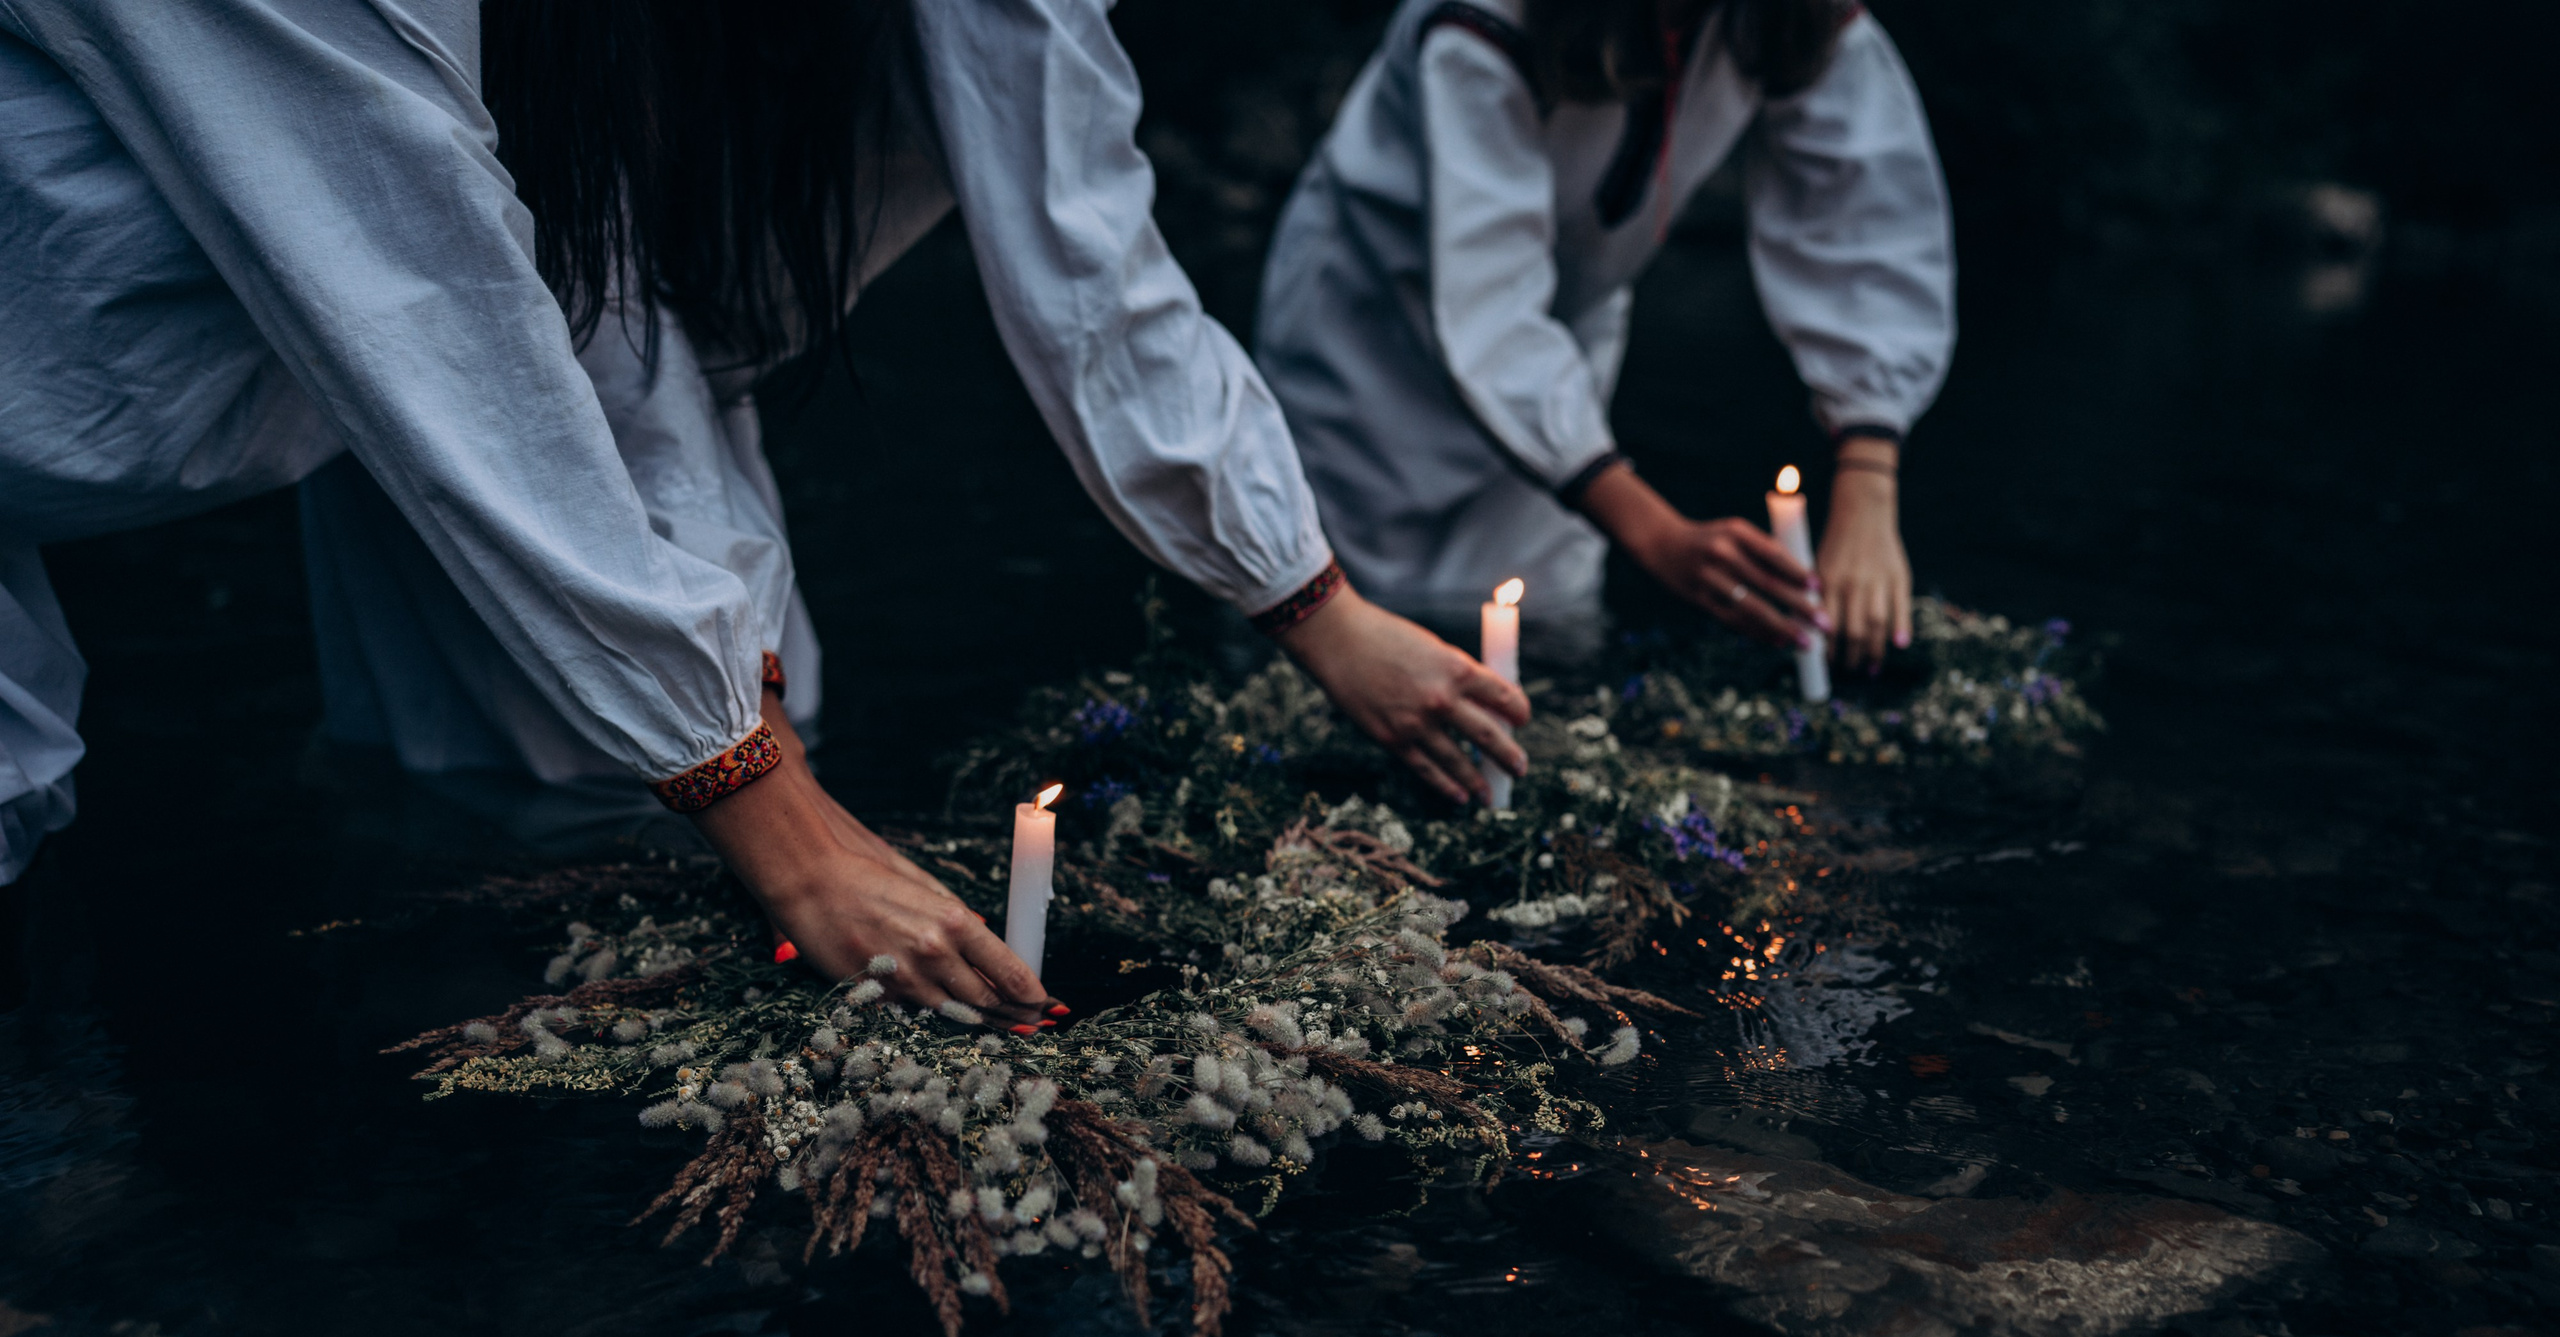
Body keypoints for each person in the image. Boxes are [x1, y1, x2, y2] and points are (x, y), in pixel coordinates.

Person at [0, 0, 1528, 1024]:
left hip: (331, 399)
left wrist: (1305, 599)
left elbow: (586, 290)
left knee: (646, 766)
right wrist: (766, 810)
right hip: (178, 378)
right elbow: (425, 274)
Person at [1255, 0, 1954, 670]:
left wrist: (1868, 482)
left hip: (1565, 370)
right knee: (1322, 638)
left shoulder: (1791, 13)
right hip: (1370, 351)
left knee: (1548, 642)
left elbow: (1868, 218)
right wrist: (1658, 535)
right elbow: (1491, 304)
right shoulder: (1485, 18)